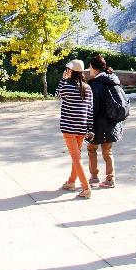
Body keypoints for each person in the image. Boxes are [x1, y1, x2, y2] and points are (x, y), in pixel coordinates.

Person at [55, 59, 94, 198]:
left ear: (70, 71)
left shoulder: (66, 87)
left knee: (76, 158)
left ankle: (86, 188)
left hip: (69, 128)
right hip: (82, 128)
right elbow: (90, 110)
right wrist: (90, 128)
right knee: (76, 156)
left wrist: (63, 79)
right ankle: (71, 182)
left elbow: (57, 95)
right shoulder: (87, 88)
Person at [86, 54, 123, 188]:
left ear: (95, 69)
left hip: (98, 125)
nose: (89, 69)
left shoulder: (95, 84)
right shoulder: (114, 80)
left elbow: (92, 108)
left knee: (91, 148)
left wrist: (87, 125)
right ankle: (110, 179)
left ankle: (94, 177)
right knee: (108, 152)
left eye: (90, 67)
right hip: (112, 123)